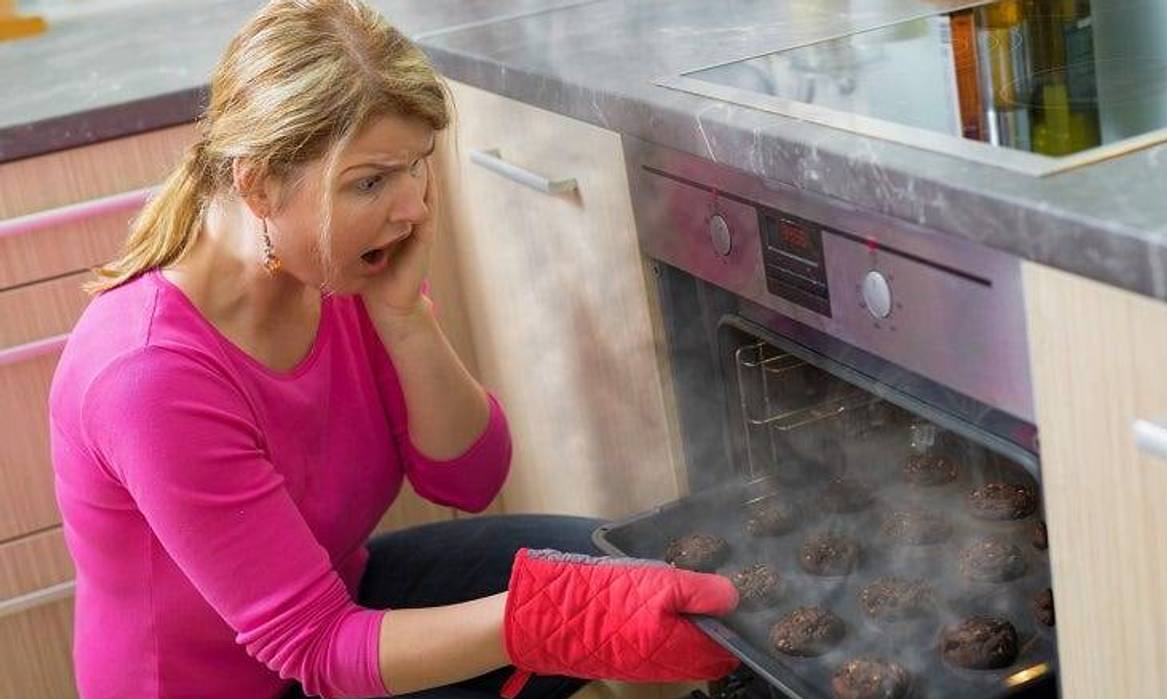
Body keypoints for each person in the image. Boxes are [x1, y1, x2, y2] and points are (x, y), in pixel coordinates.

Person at [47, 1, 739, 697]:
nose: (411, 208)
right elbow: (316, 646)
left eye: (415, 166)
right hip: (249, 679)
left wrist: (404, 318)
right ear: (257, 183)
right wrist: (553, 618)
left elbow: (470, 480)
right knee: (575, 609)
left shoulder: (335, 266)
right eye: (370, 181)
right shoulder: (149, 377)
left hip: (342, 596)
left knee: (626, 566)